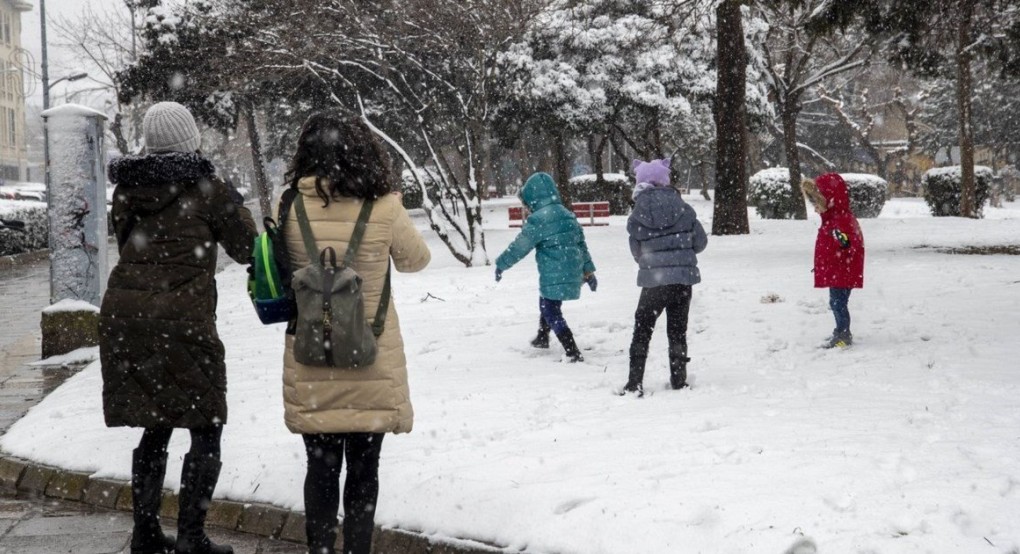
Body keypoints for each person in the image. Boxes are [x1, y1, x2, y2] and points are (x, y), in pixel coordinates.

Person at [100, 101, 257, 554]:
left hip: (127, 315)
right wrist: (234, 205)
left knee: (157, 421)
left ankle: (146, 534)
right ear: (191, 140)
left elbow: (129, 241)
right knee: (206, 425)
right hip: (182, 318)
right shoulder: (208, 188)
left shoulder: (127, 190)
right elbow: (247, 248)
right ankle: (191, 537)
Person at [280, 113, 431, 554]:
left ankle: (321, 550)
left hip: (312, 357)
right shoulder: (384, 207)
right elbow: (415, 260)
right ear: (366, 153)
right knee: (365, 469)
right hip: (370, 357)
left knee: (320, 468)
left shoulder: (288, 205)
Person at [621, 159, 707, 397]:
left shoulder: (637, 215)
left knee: (642, 329)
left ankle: (634, 382)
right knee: (678, 330)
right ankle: (679, 380)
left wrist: (652, 262)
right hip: (682, 280)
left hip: (653, 283)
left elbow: (636, 251)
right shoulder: (684, 209)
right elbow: (700, 242)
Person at [495, 172, 597, 362]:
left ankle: (572, 350)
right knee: (547, 300)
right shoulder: (567, 214)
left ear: (532, 198)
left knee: (550, 310)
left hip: (554, 272)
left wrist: (501, 264)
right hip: (573, 268)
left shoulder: (538, 220)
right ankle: (543, 336)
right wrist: (588, 271)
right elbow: (581, 243)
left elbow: (520, 247)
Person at [802, 173, 865, 348]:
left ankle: (843, 335)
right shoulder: (832, 219)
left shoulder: (841, 220)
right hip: (837, 269)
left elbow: (850, 244)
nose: (815, 209)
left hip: (842, 271)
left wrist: (842, 239)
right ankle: (840, 331)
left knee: (838, 303)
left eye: (817, 204)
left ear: (829, 200)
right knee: (836, 302)